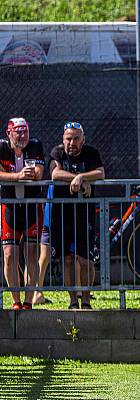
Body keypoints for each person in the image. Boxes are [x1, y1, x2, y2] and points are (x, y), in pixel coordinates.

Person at [49, 122, 105, 309]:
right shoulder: (57, 153)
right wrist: (79, 179)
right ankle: (73, 301)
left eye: (76, 138)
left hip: (84, 212)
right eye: (68, 138)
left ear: (83, 140)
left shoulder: (91, 152)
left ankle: (87, 301)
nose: (72, 142)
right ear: (62, 139)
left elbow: (101, 173)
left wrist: (82, 177)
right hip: (63, 212)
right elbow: (55, 174)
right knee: (68, 258)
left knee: (85, 259)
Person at [0, 118, 45, 310]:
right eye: (18, 132)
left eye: (25, 131)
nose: (23, 136)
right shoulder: (1, 148)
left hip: (32, 206)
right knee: (9, 254)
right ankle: (15, 301)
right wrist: (17, 177)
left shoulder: (35, 145)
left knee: (31, 253)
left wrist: (10, 175)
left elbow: (38, 173)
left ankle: (28, 301)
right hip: (9, 207)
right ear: (9, 133)